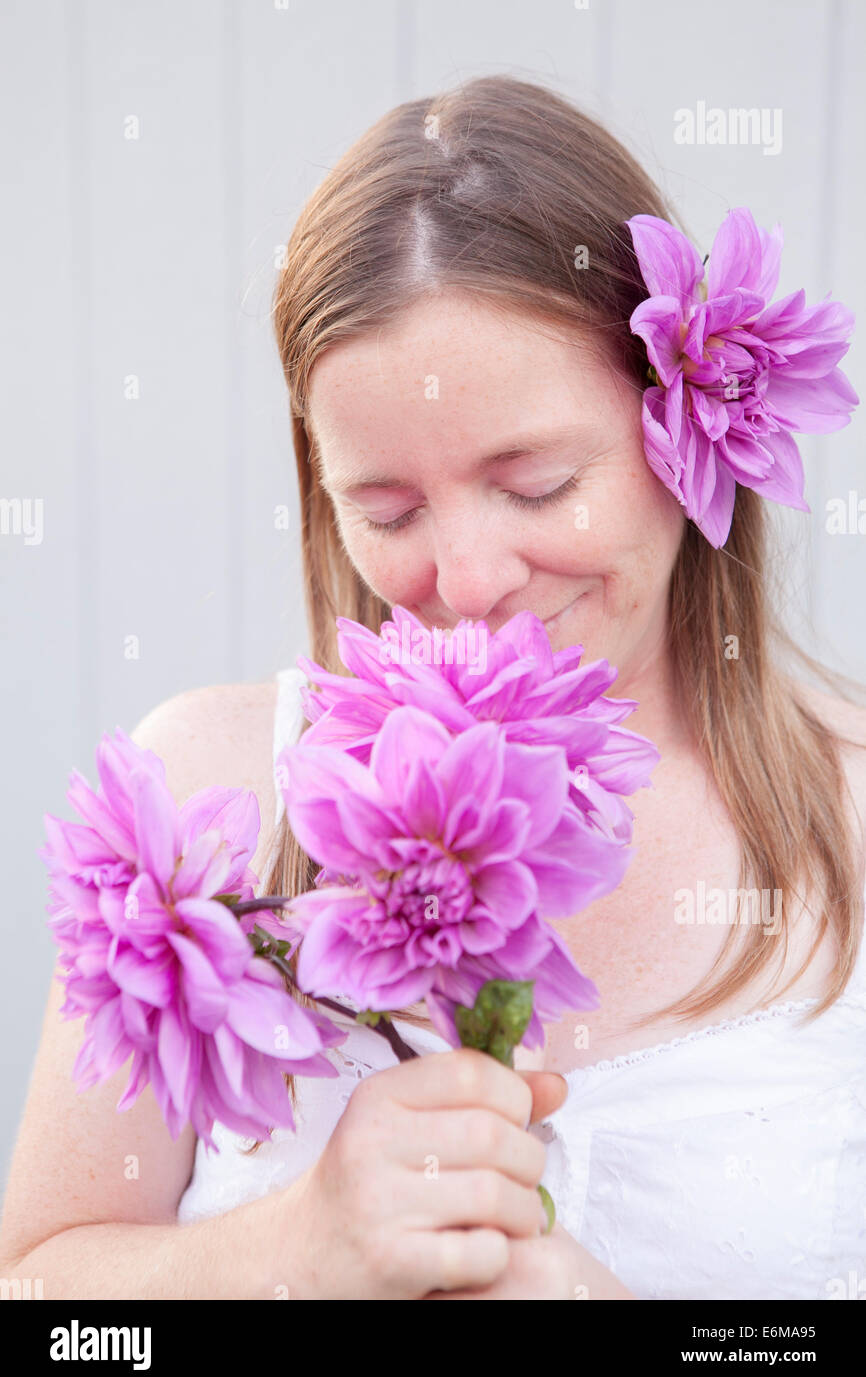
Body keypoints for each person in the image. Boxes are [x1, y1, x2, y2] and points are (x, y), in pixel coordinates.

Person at [2, 75, 864, 1301]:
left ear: (685, 426)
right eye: (388, 509)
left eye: (535, 484)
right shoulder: (203, 807)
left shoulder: (849, 823)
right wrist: (292, 1255)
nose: (465, 582)